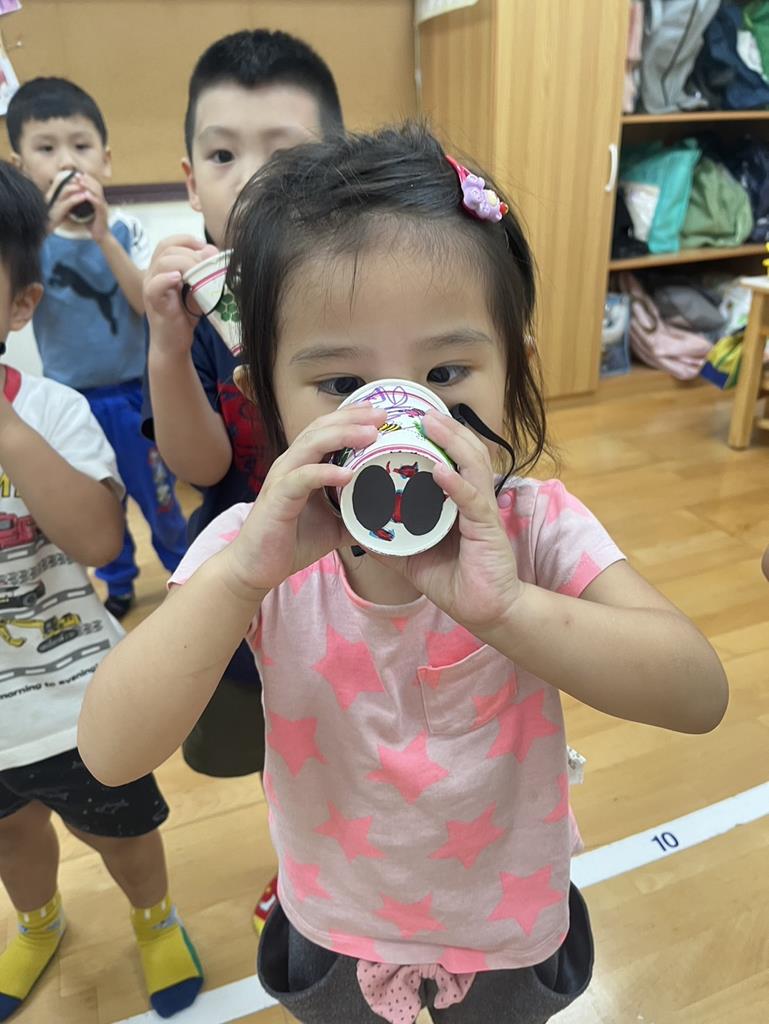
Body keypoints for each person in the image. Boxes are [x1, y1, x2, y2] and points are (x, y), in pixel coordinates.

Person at [79, 125, 728, 1024]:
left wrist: (510, 610)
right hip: (337, 921)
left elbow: (697, 694)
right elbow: (110, 752)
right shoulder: (253, 546)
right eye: (340, 385)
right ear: (263, 398)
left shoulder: (530, 525)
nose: (400, 423)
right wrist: (237, 582)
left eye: (446, 372)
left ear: (514, 370)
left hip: (504, 921)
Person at [143, 29, 343, 929]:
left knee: (352, 724)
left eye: (283, 153)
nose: (250, 178)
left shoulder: (355, 283)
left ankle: (355, 857)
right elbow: (202, 467)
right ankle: (298, 863)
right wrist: (165, 344)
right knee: (278, 737)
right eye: (223, 155)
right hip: (250, 573)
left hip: (356, 565)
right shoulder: (188, 302)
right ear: (191, 180)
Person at [0, 160, 202, 1021]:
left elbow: (98, 541)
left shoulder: (51, 412)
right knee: (12, 839)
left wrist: (5, 425)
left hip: (73, 698)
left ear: (20, 305)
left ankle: (155, 919)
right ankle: (39, 921)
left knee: (121, 831)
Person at [6, 77, 187, 620]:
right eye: (46, 149)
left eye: (81, 146)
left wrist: (104, 236)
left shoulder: (125, 229)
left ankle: (183, 572)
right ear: (20, 167)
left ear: (105, 161)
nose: (67, 162)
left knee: (159, 497)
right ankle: (119, 579)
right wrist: (43, 230)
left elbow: (143, 303)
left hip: (135, 397)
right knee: (101, 496)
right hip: (71, 405)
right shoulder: (27, 247)